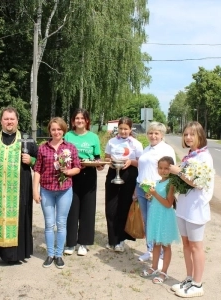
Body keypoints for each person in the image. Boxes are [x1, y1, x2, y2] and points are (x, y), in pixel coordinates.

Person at [0, 107, 38, 265]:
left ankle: (14, 255)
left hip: (19, 190)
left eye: (12, 119)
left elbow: (40, 163)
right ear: (1, 121)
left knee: (18, 218)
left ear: (17, 121)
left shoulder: (26, 139)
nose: (9, 122)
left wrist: (32, 161)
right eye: (6, 119)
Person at [169, 121, 214, 298]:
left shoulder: (204, 157)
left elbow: (198, 183)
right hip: (184, 205)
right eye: (186, 134)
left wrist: (177, 172)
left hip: (196, 207)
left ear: (200, 136)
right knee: (186, 245)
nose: (188, 137)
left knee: (196, 246)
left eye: (192, 134)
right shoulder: (191, 155)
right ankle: (189, 278)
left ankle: (198, 283)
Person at [33, 117, 81, 269]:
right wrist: (35, 190)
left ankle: (59, 255)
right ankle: (50, 254)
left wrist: (67, 171)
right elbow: (37, 170)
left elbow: (77, 167)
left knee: (61, 223)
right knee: (49, 224)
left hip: (64, 190)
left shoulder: (70, 147)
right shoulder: (43, 148)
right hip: (46, 190)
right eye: (53, 129)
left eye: (59, 129)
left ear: (63, 130)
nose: (56, 132)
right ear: (50, 131)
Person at [63, 108, 103, 256]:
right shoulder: (68, 135)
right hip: (72, 174)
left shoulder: (93, 137)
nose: (79, 121)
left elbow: (97, 157)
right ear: (73, 121)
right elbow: (62, 155)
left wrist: (99, 165)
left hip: (89, 174)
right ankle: (71, 242)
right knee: (71, 209)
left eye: (82, 118)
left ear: (87, 121)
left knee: (88, 209)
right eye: (76, 118)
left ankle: (83, 243)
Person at [136, 122, 176, 263]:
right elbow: (142, 168)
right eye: (150, 133)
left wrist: (164, 189)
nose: (153, 136)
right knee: (147, 221)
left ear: (162, 135)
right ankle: (150, 250)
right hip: (142, 188)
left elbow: (171, 171)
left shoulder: (166, 149)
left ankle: (159, 256)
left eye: (156, 133)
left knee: (156, 222)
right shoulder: (146, 148)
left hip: (156, 190)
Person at [104, 117, 143, 252]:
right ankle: (111, 239)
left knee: (123, 207)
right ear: (118, 128)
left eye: (126, 129)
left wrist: (130, 162)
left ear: (130, 129)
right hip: (113, 173)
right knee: (110, 208)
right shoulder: (111, 141)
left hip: (129, 175)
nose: (123, 131)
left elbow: (140, 163)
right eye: (121, 128)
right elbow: (107, 158)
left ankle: (120, 240)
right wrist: (111, 160)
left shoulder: (136, 144)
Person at [140, 156, 180, 284]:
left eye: (166, 168)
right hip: (156, 216)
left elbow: (168, 203)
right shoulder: (157, 182)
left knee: (165, 245)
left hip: (165, 217)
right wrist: (150, 196)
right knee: (156, 244)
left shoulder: (171, 184)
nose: (163, 171)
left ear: (171, 169)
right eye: (160, 168)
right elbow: (156, 199)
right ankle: (154, 267)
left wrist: (155, 194)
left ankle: (164, 272)